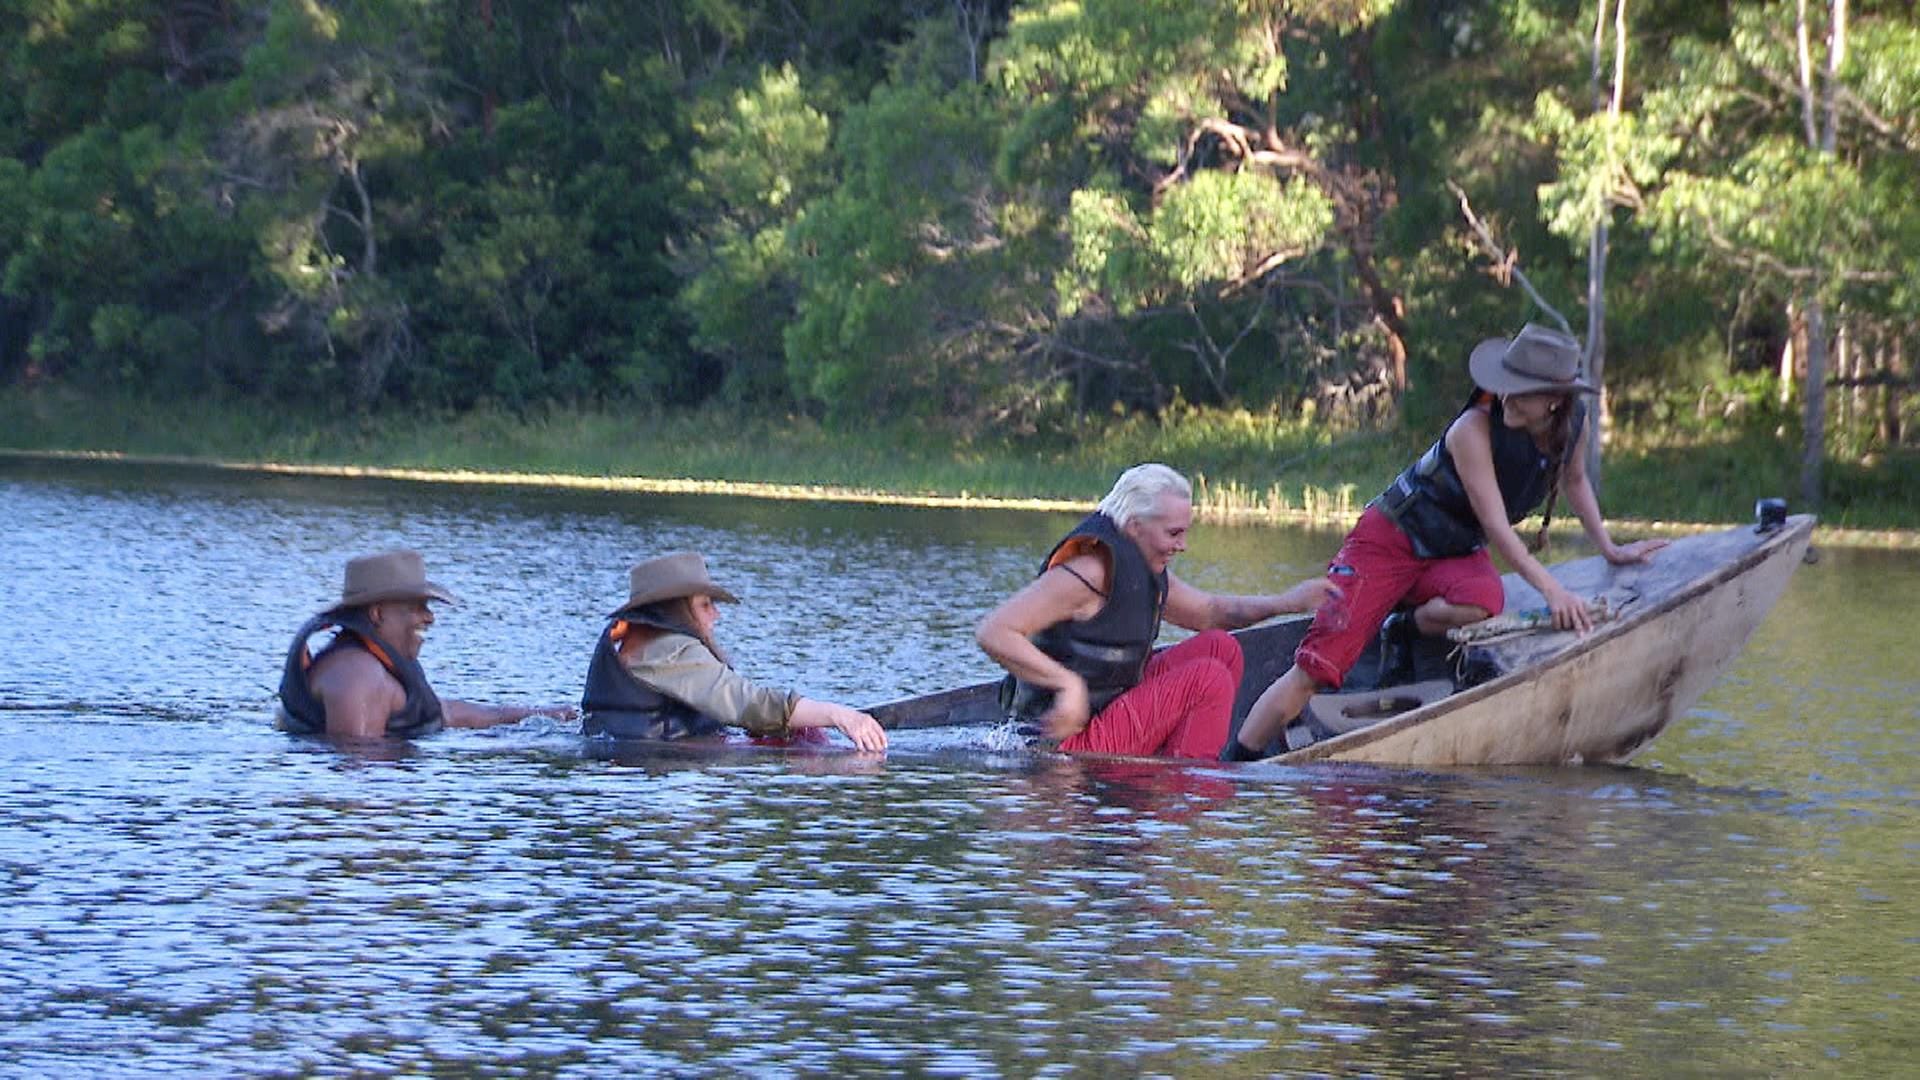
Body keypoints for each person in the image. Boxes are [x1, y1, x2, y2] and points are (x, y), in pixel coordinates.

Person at [1224, 323, 1669, 761]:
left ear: (1556, 401)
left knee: (1482, 599)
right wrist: (1552, 591)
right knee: (1317, 669)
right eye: (1506, 385)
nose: (1508, 396)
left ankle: (1401, 627)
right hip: (1389, 542)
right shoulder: (1471, 429)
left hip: (1450, 550)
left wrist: (1610, 548)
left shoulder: (1573, 426)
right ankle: (1238, 761)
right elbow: (1496, 527)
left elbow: (1574, 482)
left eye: (1523, 390)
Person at [975, 463, 1339, 760]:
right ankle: (1189, 796)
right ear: (1135, 526)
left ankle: (1183, 764)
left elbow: (1210, 613)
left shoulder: (1145, 567)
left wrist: (1287, 602)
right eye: (1173, 534)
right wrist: (1065, 684)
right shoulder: (1090, 571)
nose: (1183, 545)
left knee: (1219, 648)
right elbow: (994, 632)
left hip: (1110, 712)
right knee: (1207, 679)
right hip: (1062, 741)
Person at [580, 552, 888, 752]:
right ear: (675, 610)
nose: (716, 615)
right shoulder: (670, 650)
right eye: (705, 605)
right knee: (810, 745)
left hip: (630, 755)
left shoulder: (631, 642)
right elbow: (748, 703)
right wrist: (839, 715)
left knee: (799, 734)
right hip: (659, 761)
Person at [278, 549, 577, 741]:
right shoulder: (360, 677)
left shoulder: (377, 665)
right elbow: (358, 781)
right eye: (418, 607)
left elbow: (442, 713)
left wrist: (539, 714)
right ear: (377, 614)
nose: (430, 618)